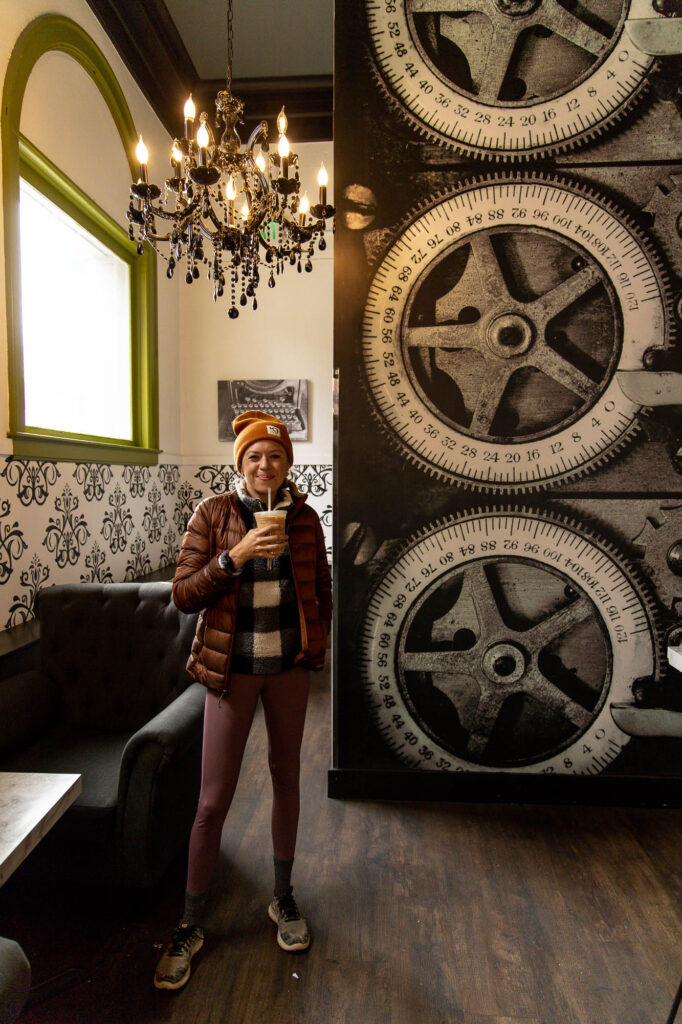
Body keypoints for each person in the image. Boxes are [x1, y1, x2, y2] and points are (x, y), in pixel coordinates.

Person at [153, 410, 332, 991]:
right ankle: (190, 922)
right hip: (230, 672)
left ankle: (282, 897)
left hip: (286, 669)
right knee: (213, 800)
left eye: (275, 456)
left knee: (287, 780)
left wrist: (315, 646)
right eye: (254, 456)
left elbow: (320, 592)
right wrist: (236, 557)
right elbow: (182, 594)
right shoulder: (213, 514)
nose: (264, 465)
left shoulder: (305, 519)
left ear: (287, 464)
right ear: (241, 464)